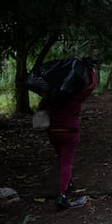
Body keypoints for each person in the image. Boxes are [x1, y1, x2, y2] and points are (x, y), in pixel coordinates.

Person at [38, 66, 97, 209]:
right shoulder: (74, 97)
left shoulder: (51, 97)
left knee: (61, 159)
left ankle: (68, 182)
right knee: (66, 163)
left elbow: (40, 109)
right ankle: (62, 195)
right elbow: (92, 86)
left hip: (53, 133)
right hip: (69, 133)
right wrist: (90, 70)